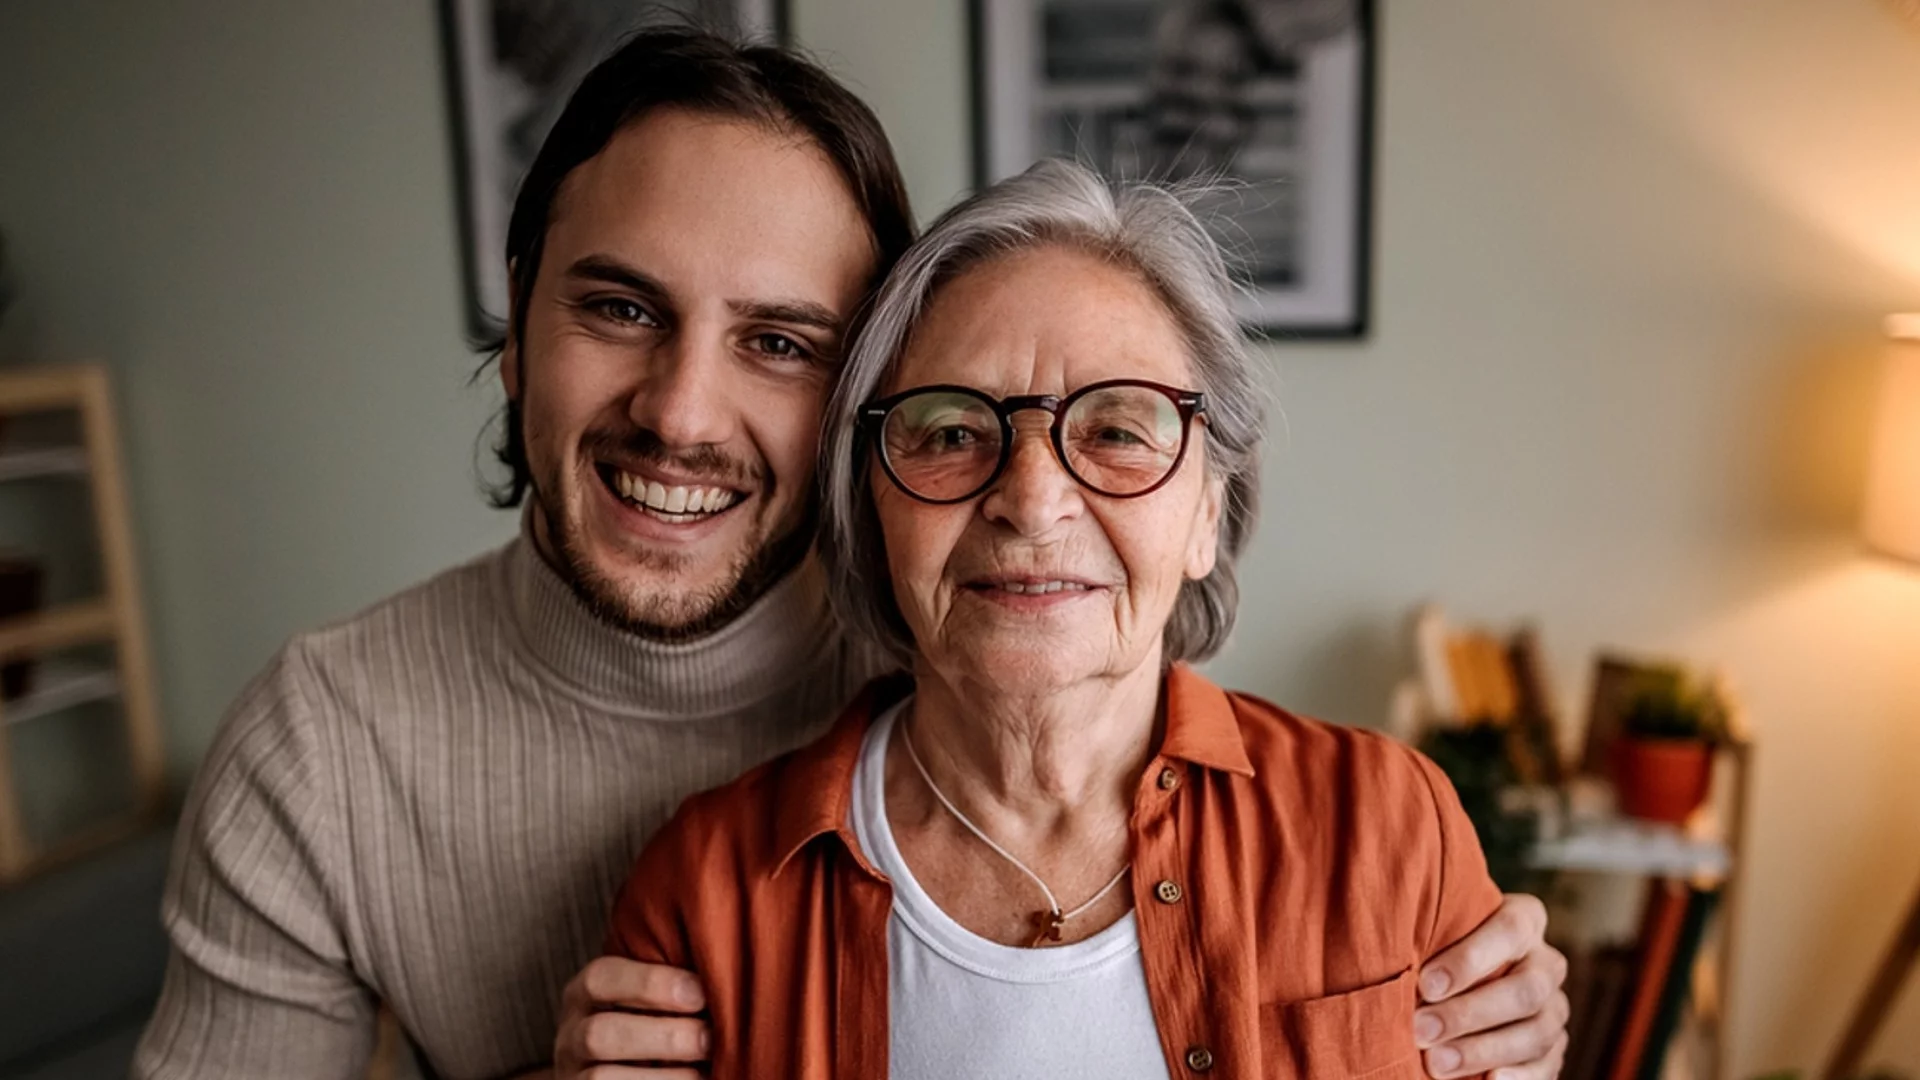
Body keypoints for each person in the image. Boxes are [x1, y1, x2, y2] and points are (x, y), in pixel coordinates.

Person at [134, 28, 1567, 1080]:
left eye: (778, 342)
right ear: (517, 323)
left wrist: (1501, 1005)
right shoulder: (330, 754)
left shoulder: (1059, 656)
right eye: (620, 308)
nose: (682, 412)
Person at [602, 158, 1552, 1077]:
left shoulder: (1389, 826)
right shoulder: (707, 892)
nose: (1033, 499)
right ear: (872, 505)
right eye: (951, 432)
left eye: (1116, 431)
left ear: (1207, 516)